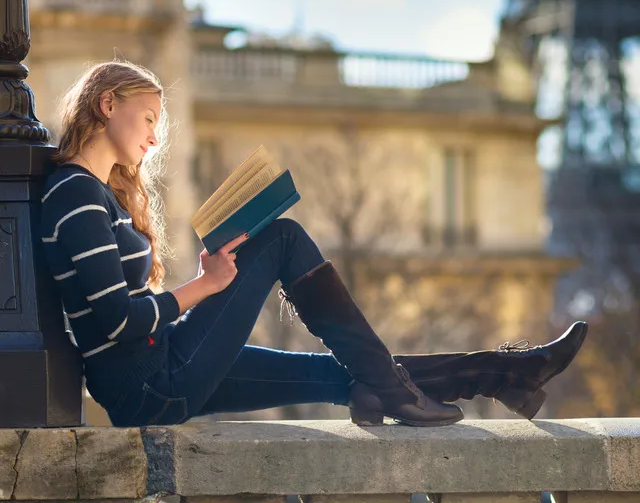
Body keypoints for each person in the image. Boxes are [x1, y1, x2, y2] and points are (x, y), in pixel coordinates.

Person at [40, 60, 588, 428]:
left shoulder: (92, 194)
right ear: (108, 104)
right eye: (150, 118)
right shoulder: (76, 195)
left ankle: (503, 374)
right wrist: (204, 287)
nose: (155, 136)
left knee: (346, 377)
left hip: (161, 368)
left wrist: (208, 281)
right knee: (281, 237)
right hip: (149, 383)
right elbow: (117, 321)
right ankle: (448, 383)